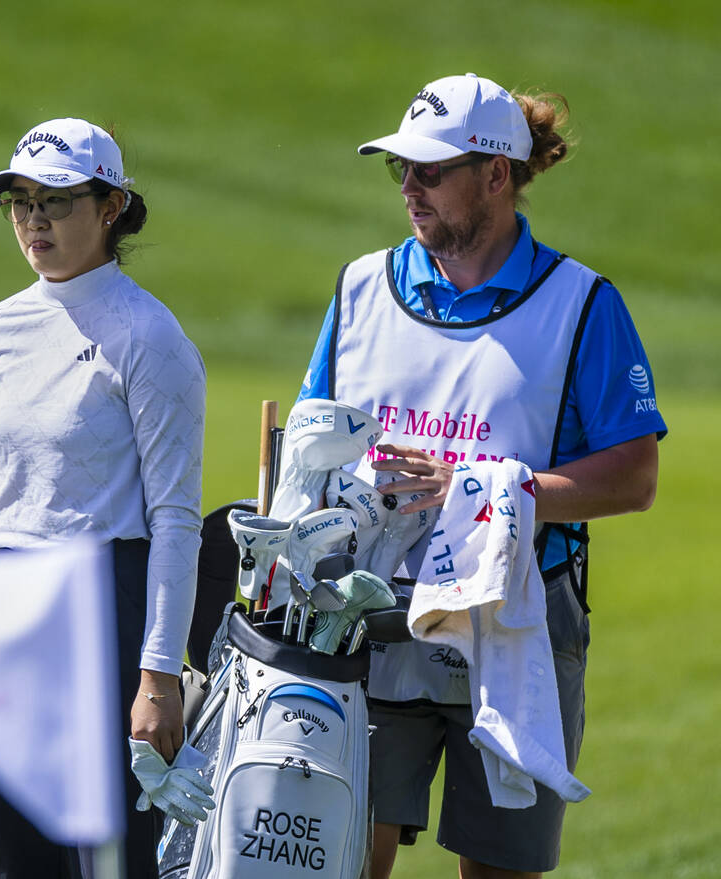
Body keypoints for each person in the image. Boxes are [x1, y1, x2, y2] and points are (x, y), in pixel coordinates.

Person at [296, 73, 666, 878]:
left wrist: (491, 488)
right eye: (401, 170)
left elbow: (633, 476)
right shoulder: (360, 288)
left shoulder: (581, 302)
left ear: (496, 175)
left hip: (516, 623)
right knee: (341, 858)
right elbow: (311, 442)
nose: (409, 189)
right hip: (372, 615)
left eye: (430, 171)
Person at [0, 117, 206, 878]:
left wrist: (158, 676)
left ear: (110, 206)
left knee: (110, 860)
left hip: (99, 611)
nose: (33, 219)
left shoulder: (150, 335)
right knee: (14, 857)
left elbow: (177, 518)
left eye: (56, 200)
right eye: (19, 201)